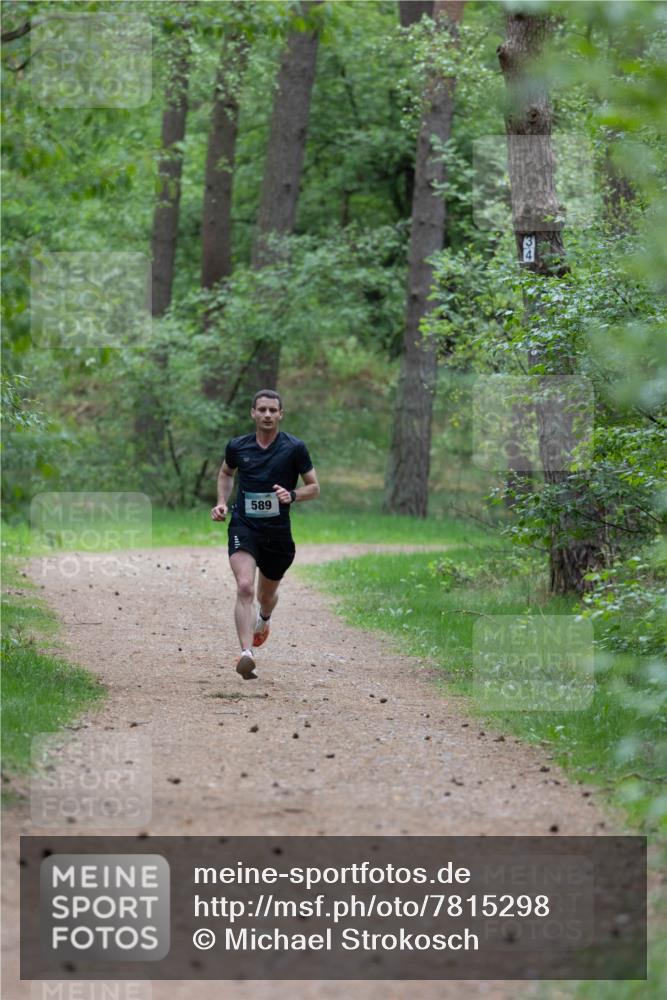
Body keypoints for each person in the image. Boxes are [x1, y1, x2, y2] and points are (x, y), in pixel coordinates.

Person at [211, 390, 320, 679]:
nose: (268, 415)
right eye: (262, 410)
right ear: (253, 413)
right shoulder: (237, 446)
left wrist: (292, 494)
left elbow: (314, 487)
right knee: (245, 586)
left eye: (273, 410)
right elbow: (225, 473)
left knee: (266, 595)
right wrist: (222, 503)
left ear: (281, 414)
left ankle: (265, 618)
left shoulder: (295, 448)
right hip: (244, 525)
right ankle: (246, 653)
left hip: (277, 532)